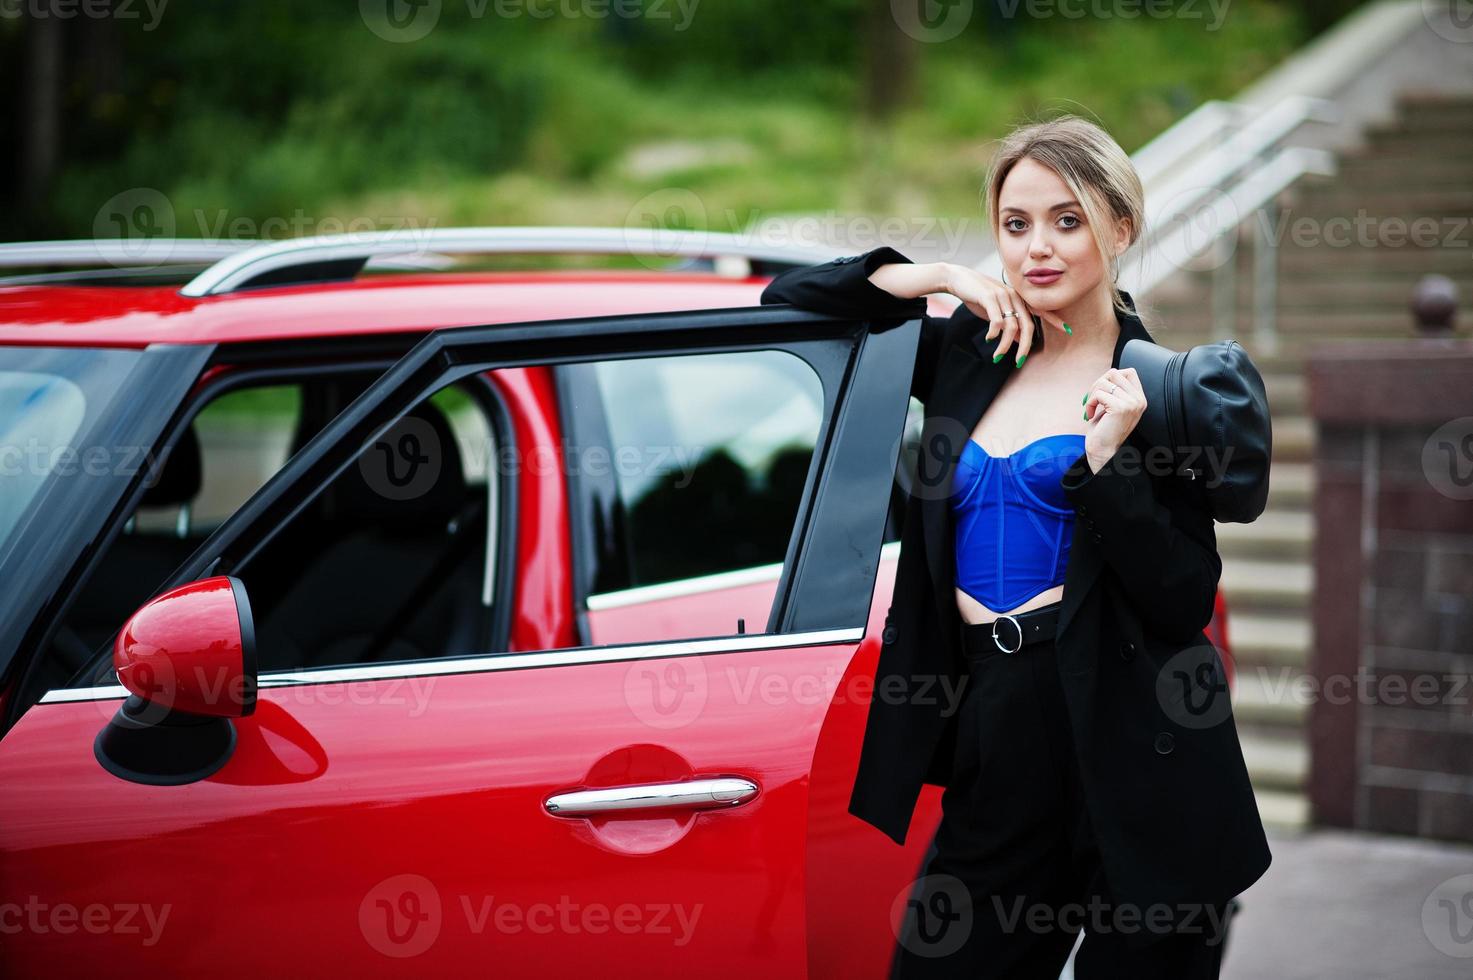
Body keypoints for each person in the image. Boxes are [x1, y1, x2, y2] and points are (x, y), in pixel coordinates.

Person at [760, 115, 1270, 978]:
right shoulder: (966, 350)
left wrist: (1110, 468)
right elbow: (790, 304)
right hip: (996, 726)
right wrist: (940, 275)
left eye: (1066, 220)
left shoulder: (1164, 386)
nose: (1038, 247)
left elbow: (1183, 601)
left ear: (1119, 227)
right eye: (1014, 224)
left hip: (1135, 747)